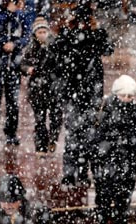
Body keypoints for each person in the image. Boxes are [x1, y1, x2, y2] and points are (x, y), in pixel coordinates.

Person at [50, 3, 114, 186]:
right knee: (79, 134)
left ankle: (77, 173)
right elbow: (55, 49)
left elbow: (108, 49)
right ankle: (75, 174)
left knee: (82, 134)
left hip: (85, 92)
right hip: (78, 92)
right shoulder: (73, 35)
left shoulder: (88, 35)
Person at [92, 74, 136, 224]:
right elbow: (95, 136)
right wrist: (102, 153)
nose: (126, 99)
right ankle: (103, 219)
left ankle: (118, 223)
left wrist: (133, 154)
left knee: (123, 196)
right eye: (123, 95)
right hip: (107, 161)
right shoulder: (105, 109)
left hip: (126, 162)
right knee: (104, 193)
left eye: (130, 96)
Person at [0, 0, 28, 144]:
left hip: (13, 66)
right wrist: (8, 13)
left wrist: (15, 44)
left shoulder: (20, 16)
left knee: (13, 101)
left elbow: (26, 36)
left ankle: (11, 132)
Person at [20, 16, 62, 156]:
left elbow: (61, 64)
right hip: (37, 88)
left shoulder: (55, 46)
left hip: (53, 86)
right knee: (40, 119)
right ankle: (40, 147)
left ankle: (53, 139)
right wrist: (28, 70)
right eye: (39, 32)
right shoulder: (31, 48)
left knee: (56, 117)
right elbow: (22, 64)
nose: (43, 35)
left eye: (45, 32)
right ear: (35, 34)